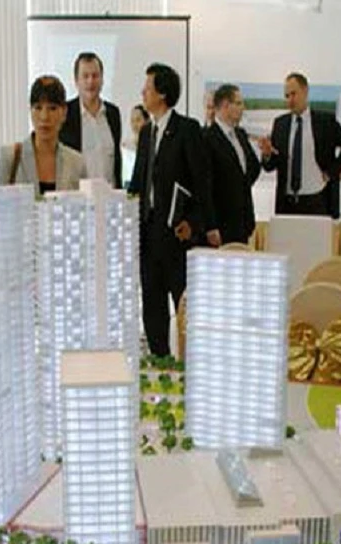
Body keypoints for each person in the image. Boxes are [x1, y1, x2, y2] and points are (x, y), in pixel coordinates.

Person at [129, 63, 216, 358]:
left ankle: (191, 363)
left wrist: (194, 222)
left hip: (178, 236)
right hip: (149, 233)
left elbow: (202, 183)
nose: (143, 92)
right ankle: (159, 362)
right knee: (152, 306)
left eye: (147, 87)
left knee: (183, 305)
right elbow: (138, 183)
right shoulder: (146, 133)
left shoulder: (187, 130)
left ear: (162, 93)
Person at [258, 72, 341, 218]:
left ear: (305, 91)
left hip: (318, 200)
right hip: (287, 204)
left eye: (293, 94)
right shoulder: (280, 124)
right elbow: (270, 166)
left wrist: (331, 172)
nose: (290, 100)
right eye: (287, 96)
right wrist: (267, 154)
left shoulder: (325, 122)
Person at [0, 75, 86, 194]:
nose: (44, 117)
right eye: (38, 108)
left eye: (52, 108)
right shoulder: (10, 157)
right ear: (30, 111)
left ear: (64, 112)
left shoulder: (76, 163)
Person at [204, 83, 261, 244]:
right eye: (238, 103)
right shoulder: (207, 138)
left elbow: (251, 171)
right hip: (221, 225)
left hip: (243, 222)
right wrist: (210, 225)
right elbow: (205, 186)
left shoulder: (240, 135)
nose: (243, 108)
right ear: (225, 105)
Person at [59, 52, 121, 188]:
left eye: (95, 76)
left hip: (110, 196)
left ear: (102, 79)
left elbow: (116, 162)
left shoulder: (113, 113)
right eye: (85, 76)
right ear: (76, 81)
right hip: (77, 197)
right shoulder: (65, 113)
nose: (90, 81)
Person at [121, 104, 150, 187]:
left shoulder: (151, 148)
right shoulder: (126, 147)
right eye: (132, 121)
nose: (134, 125)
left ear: (147, 121)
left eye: (138, 120)